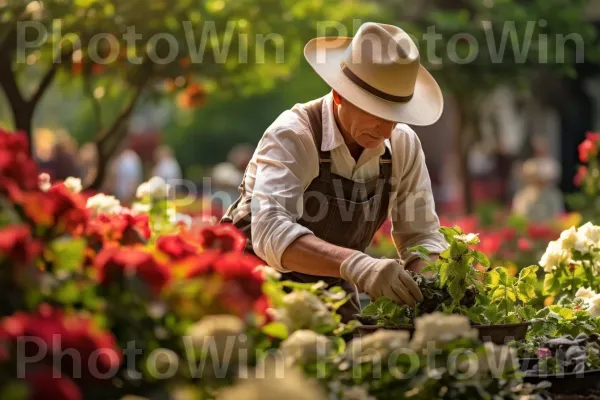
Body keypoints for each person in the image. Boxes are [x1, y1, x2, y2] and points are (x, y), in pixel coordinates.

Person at [222, 22, 447, 320]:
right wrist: (358, 265)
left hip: (330, 298)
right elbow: (270, 229)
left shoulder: (402, 144)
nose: (387, 127)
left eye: (396, 115)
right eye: (376, 111)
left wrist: (426, 287)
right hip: (254, 295)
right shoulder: (294, 135)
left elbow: (421, 237)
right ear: (340, 95)